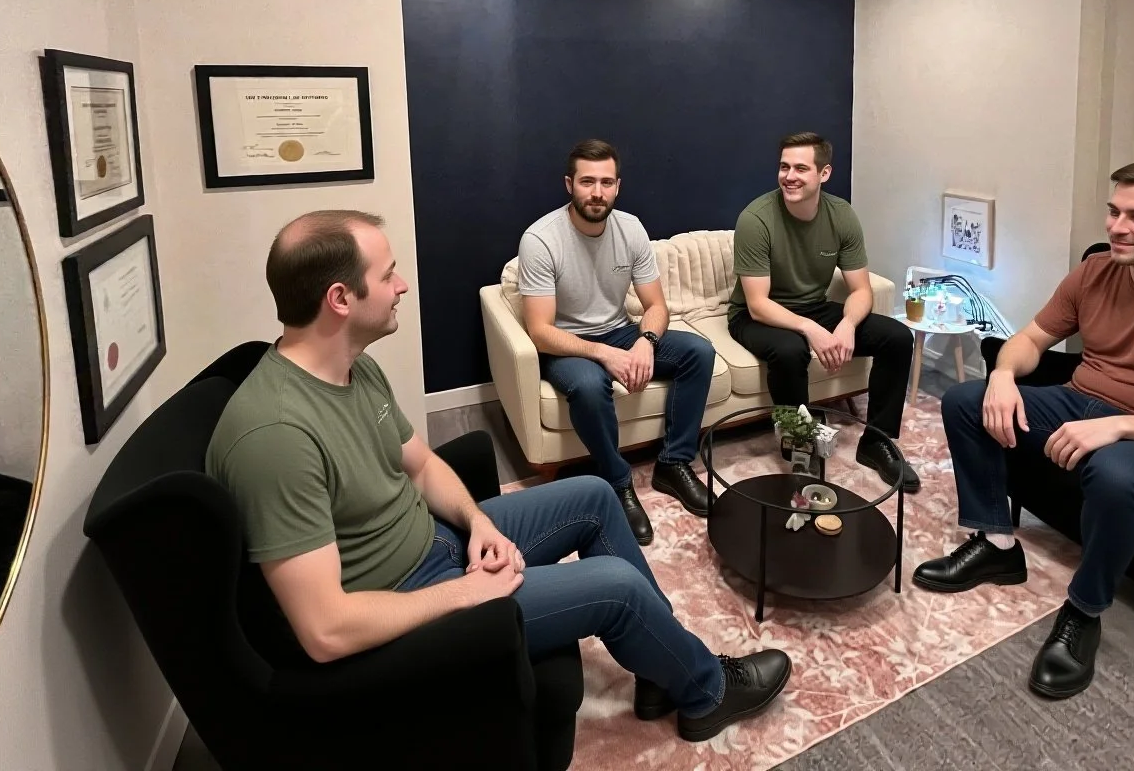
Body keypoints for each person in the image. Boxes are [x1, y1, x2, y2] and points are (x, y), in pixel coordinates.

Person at [205, 210, 791, 742]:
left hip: (436, 543)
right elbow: (326, 630)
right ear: (340, 298)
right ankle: (706, 693)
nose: (402, 285)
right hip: (405, 602)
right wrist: (465, 592)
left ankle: (662, 670)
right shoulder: (275, 438)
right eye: (387, 276)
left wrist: (478, 521)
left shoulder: (354, 370)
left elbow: (422, 465)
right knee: (618, 586)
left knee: (594, 496)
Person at [912, 160, 1134, 699]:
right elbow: (1030, 340)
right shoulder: (1096, 271)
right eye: (1114, 211)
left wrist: (1118, 427)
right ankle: (997, 544)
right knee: (966, 400)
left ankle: (1083, 611)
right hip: (1077, 398)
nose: (1118, 227)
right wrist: (1002, 376)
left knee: (1117, 477)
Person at [517, 140, 715, 545]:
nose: (597, 192)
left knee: (699, 352)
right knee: (590, 386)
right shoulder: (540, 240)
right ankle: (617, 482)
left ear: (618, 186)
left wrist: (645, 341)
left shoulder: (631, 228)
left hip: (620, 330)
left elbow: (656, 305)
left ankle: (674, 463)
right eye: (587, 181)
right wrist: (605, 354)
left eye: (606, 182)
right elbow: (539, 331)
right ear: (569, 184)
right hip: (566, 342)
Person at [726, 132, 919, 492]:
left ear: (824, 173)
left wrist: (847, 324)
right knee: (790, 349)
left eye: (801, 168)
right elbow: (757, 303)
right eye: (784, 167)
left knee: (896, 336)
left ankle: (877, 443)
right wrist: (811, 329)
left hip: (814, 305)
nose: (789, 176)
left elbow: (861, 290)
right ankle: (799, 445)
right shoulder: (756, 218)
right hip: (755, 316)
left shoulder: (841, 215)